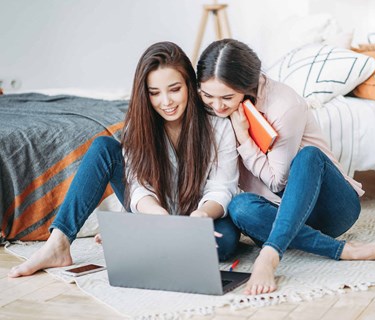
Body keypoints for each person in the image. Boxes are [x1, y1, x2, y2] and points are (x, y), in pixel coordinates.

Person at [9, 41, 240, 278]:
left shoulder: (218, 125)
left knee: (225, 244)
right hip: (152, 211)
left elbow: (222, 187)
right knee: (103, 147)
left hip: (199, 214)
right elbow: (137, 185)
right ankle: (58, 243)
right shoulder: (138, 125)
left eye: (174, 89)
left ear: (189, 86)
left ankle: (134, 234)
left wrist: (201, 216)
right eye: (154, 93)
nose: (166, 101)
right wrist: (158, 215)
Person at [196, 39, 375, 295]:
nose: (217, 106)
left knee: (309, 156)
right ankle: (345, 250)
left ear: (247, 86)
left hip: (329, 207)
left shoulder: (284, 104)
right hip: (277, 212)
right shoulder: (213, 109)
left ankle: (270, 255)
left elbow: (278, 182)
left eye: (227, 97)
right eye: (208, 96)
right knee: (240, 208)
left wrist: (243, 138)